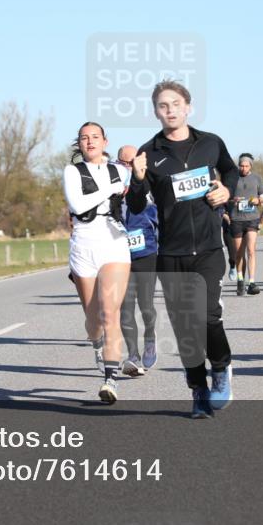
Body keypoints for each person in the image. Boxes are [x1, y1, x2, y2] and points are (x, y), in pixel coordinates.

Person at [127, 80, 238, 418]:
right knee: (184, 328)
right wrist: (136, 177)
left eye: (175, 103)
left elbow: (230, 171)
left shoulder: (210, 143)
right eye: (163, 105)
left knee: (205, 315)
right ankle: (198, 391)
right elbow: (134, 205)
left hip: (206, 247)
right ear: (156, 112)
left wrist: (226, 192)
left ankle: (220, 368)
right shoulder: (150, 152)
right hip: (170, 252)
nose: (170, 109)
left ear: (188, 107)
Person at [63, 122, 132, 402]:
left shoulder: (121, 171)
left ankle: (110, 379)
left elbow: (136, 196)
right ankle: (96, 342)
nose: (89, 141)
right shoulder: (72, 171)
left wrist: (134, 178)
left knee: (109, 313)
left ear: (105, 141)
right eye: (84, 138)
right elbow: (78, 205)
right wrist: (110, 189)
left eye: (95, 137)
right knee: (94, 322)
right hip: (83, 243)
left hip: (114, 242)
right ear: (79, 144)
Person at [117, 144, 159, 375]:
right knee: (125, 307)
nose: (129, 166)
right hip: (119, 254)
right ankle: (132, 355)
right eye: (125, 162)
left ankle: (150, 339)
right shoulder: (111, 184)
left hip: (146, 250)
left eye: (133, 162)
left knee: (146, 304)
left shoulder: (148, 182)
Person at [230, 153, 263, 296]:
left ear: (251, 166)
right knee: (239, 253)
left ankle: (251, 282)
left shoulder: (257, 178)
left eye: (246, 165)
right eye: (241, 165)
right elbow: (226, 196)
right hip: (236, 219)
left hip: (252, 218)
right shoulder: (232, 178)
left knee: (251, 250)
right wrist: (233, 200)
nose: (243, 168)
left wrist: (258, 200)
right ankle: (240, 279)